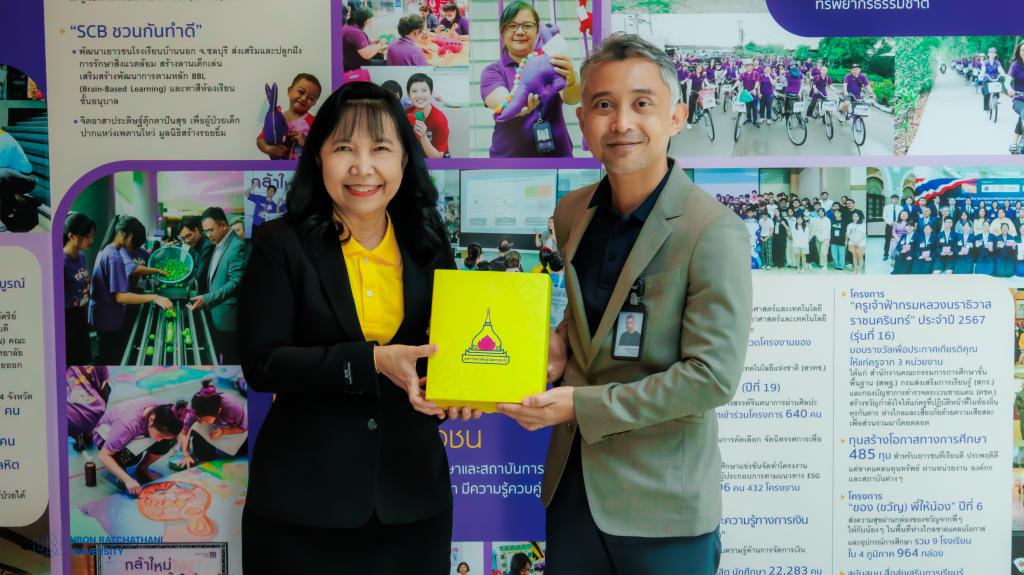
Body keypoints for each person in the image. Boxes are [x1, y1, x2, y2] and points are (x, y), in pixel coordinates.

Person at [497, 33, 751, 574]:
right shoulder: (572, 211)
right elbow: (588, 322)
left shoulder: (713, 229)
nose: (621, 123)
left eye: (642, 103)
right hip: (571, 491)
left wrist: (581, 406)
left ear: (676, 116)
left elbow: (711, 377)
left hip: (662, 506)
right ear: (582, 120)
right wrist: (559, 346)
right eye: (603, 105)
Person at [237, 81, 480, 572]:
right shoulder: (280, 243)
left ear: (405, 160)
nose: (362, 167)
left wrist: (463, 391)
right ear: (319, 157)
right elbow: (263, 364)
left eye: (381, 149)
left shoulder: (428, 242)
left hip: (411, 501)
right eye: (344, 148)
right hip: (302, 506)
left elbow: (446, 350)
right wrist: (371, 361)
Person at [480, 1, 581, 157]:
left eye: (527, 26)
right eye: (512, 26)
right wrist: (517, 107)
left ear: (537, 31)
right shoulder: (493, 71)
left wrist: (571, 79)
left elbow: (572, 99)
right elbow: (502, 102)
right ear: (502, 32)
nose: (520, 32)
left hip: (558, 158)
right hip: (509, 161)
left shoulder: (552, 61)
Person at [89, 216, 173, 365]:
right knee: (109, 357)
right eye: (135, 242)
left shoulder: (107, 250)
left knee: (105, 353)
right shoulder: (114, 256)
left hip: (103, 315)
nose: (135, 247)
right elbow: (121, 297)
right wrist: (155, 297)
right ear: (125, 234)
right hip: (109, 317)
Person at [189, 207, 248, 365]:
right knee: (222, 355)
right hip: (217, 312)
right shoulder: (219, 243)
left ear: (223, 225)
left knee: (231, 361)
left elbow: (236, 282)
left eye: (211, 230)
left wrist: (208, 299)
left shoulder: (236, 246)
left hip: (228, 318)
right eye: (206, 231)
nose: (208, 235)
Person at [93, 398, 187, 495]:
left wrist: (183, 447)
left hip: (135, 431)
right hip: (105, 435)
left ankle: (142, 468)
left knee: (169, 440)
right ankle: (120, 470)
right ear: (151, 419)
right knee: (131, 458)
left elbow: (179, 428)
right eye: (159, 435)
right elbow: (103, 456)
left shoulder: (168, 412)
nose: (159, 440)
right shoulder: (128, 424)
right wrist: (127, 479)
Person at [171, 379, 248, 471]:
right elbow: (184, 432)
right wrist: (186, 454)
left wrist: (224, 431)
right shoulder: (195, 411)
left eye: (206, 419)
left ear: (218, 411)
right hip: (214, 429)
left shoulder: (232, 407)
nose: (203, 422)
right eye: (200, 419)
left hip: (232, 428)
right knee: (203, 455)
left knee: (243, 451)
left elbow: (244, 428)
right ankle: (205, 451)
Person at [257, 73, 323, 160]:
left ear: (314, 103)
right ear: (289, 91)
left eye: (311, 98)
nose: (304, 99)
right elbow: (260, 139)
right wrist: (267, 148)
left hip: (303, 168)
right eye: (301, 92)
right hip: (279, 168)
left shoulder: (315, 122)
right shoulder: (276, 118)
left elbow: (322, 149)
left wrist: (306, 143)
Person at [64, 212, 96, 366]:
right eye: (87, 236)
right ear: (72, 236)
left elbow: (84, 280)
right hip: (68, 319)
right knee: (73, 360)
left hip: (80, 314)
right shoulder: (61, 262)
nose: (92, 240)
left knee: (84, 358)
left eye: (92, 236)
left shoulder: (82, 256)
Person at [406, 73, 450, 158]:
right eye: (414, 91)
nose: (419, 95)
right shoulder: (406, 114)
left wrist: (423, 136)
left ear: (431, 93)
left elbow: (438, 158)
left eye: (424, 90)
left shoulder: (439, 119)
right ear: (409, 95)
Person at [67, 366, 110, 451]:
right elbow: (105, 391)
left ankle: (78, 438)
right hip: (94, 412)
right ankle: (88, 432)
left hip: (69, 419)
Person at [178, 216, 215, 291]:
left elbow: (200, 273)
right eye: (183, 238)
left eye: (188, 236)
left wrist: (184, 285)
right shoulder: (193, 245)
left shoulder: (207, 246)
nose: (187, 241)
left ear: (196, 230)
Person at [1007, 41, 1024, 151]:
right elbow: (1007, 81)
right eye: (1023, 50)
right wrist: (1009, 89)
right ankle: (1015, 143)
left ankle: (1014, 142)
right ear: (1019, 51)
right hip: (1019, 99)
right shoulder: (1015, 65)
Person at [735, 61, 761, 127]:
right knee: (748, 107)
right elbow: (738, 81)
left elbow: (757, 82)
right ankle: (749, 119)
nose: (749, 67)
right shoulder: (743, 74)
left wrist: (755, 89)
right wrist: (733, 87)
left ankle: (755, 121)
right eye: (747, 65)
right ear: (746, 67)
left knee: (754, 108)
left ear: (752, 66)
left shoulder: (756, 73)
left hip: (753, 93)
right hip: (746, 94)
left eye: (750, 65)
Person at [980, 47, 1006, 113]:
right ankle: (986, 108)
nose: (992, 54)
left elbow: (1000, 69)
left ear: (995, 54)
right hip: (987, 78)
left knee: (998, 87)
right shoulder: (985, 62)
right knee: (986, 93)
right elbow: (983, 70)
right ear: (988, 54)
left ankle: (996, 98)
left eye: (993, 53)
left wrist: (1004, 75)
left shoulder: (997, 63)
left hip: (995, 78)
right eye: (990, 53)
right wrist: (981, 75)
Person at [686, 64, 707, 130]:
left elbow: (704, 83)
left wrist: (711, 86)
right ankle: (689, 122)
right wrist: (689, 91)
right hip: (693, 92)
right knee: (691, 108)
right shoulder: (692, 75)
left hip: (700, 91)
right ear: (695, 69)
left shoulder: (703, 76)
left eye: (700, 68)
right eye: (698, 68)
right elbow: (689, 84)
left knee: (704, 103)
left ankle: (698, 113)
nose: (699, 69)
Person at [828, 202, 847, 271]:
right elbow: (830, 231)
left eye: (838, 213)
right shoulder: (832, 221)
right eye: (835, 213)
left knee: (841, 254)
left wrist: (846, 240)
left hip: (841, 240)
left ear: (840, 214)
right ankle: (836, 264)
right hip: (833, 240)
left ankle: (841, 265)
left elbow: (846, 232)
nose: (836, 214)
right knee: (834, 254)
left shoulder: (843, 221)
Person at [882, 194, 901, 260]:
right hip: (889, 225)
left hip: (897, 226)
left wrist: (896, 223)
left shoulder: (900, 208)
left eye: (896, 199)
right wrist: (890, 223)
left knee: (897, 240)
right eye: (893, 199)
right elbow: (884, 216)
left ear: (898, 200)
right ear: (891, 199)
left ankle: (896, 254)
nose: (895, 200)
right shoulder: (886, 207)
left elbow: (901, 216)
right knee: (887, 240)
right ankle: (885, 254)